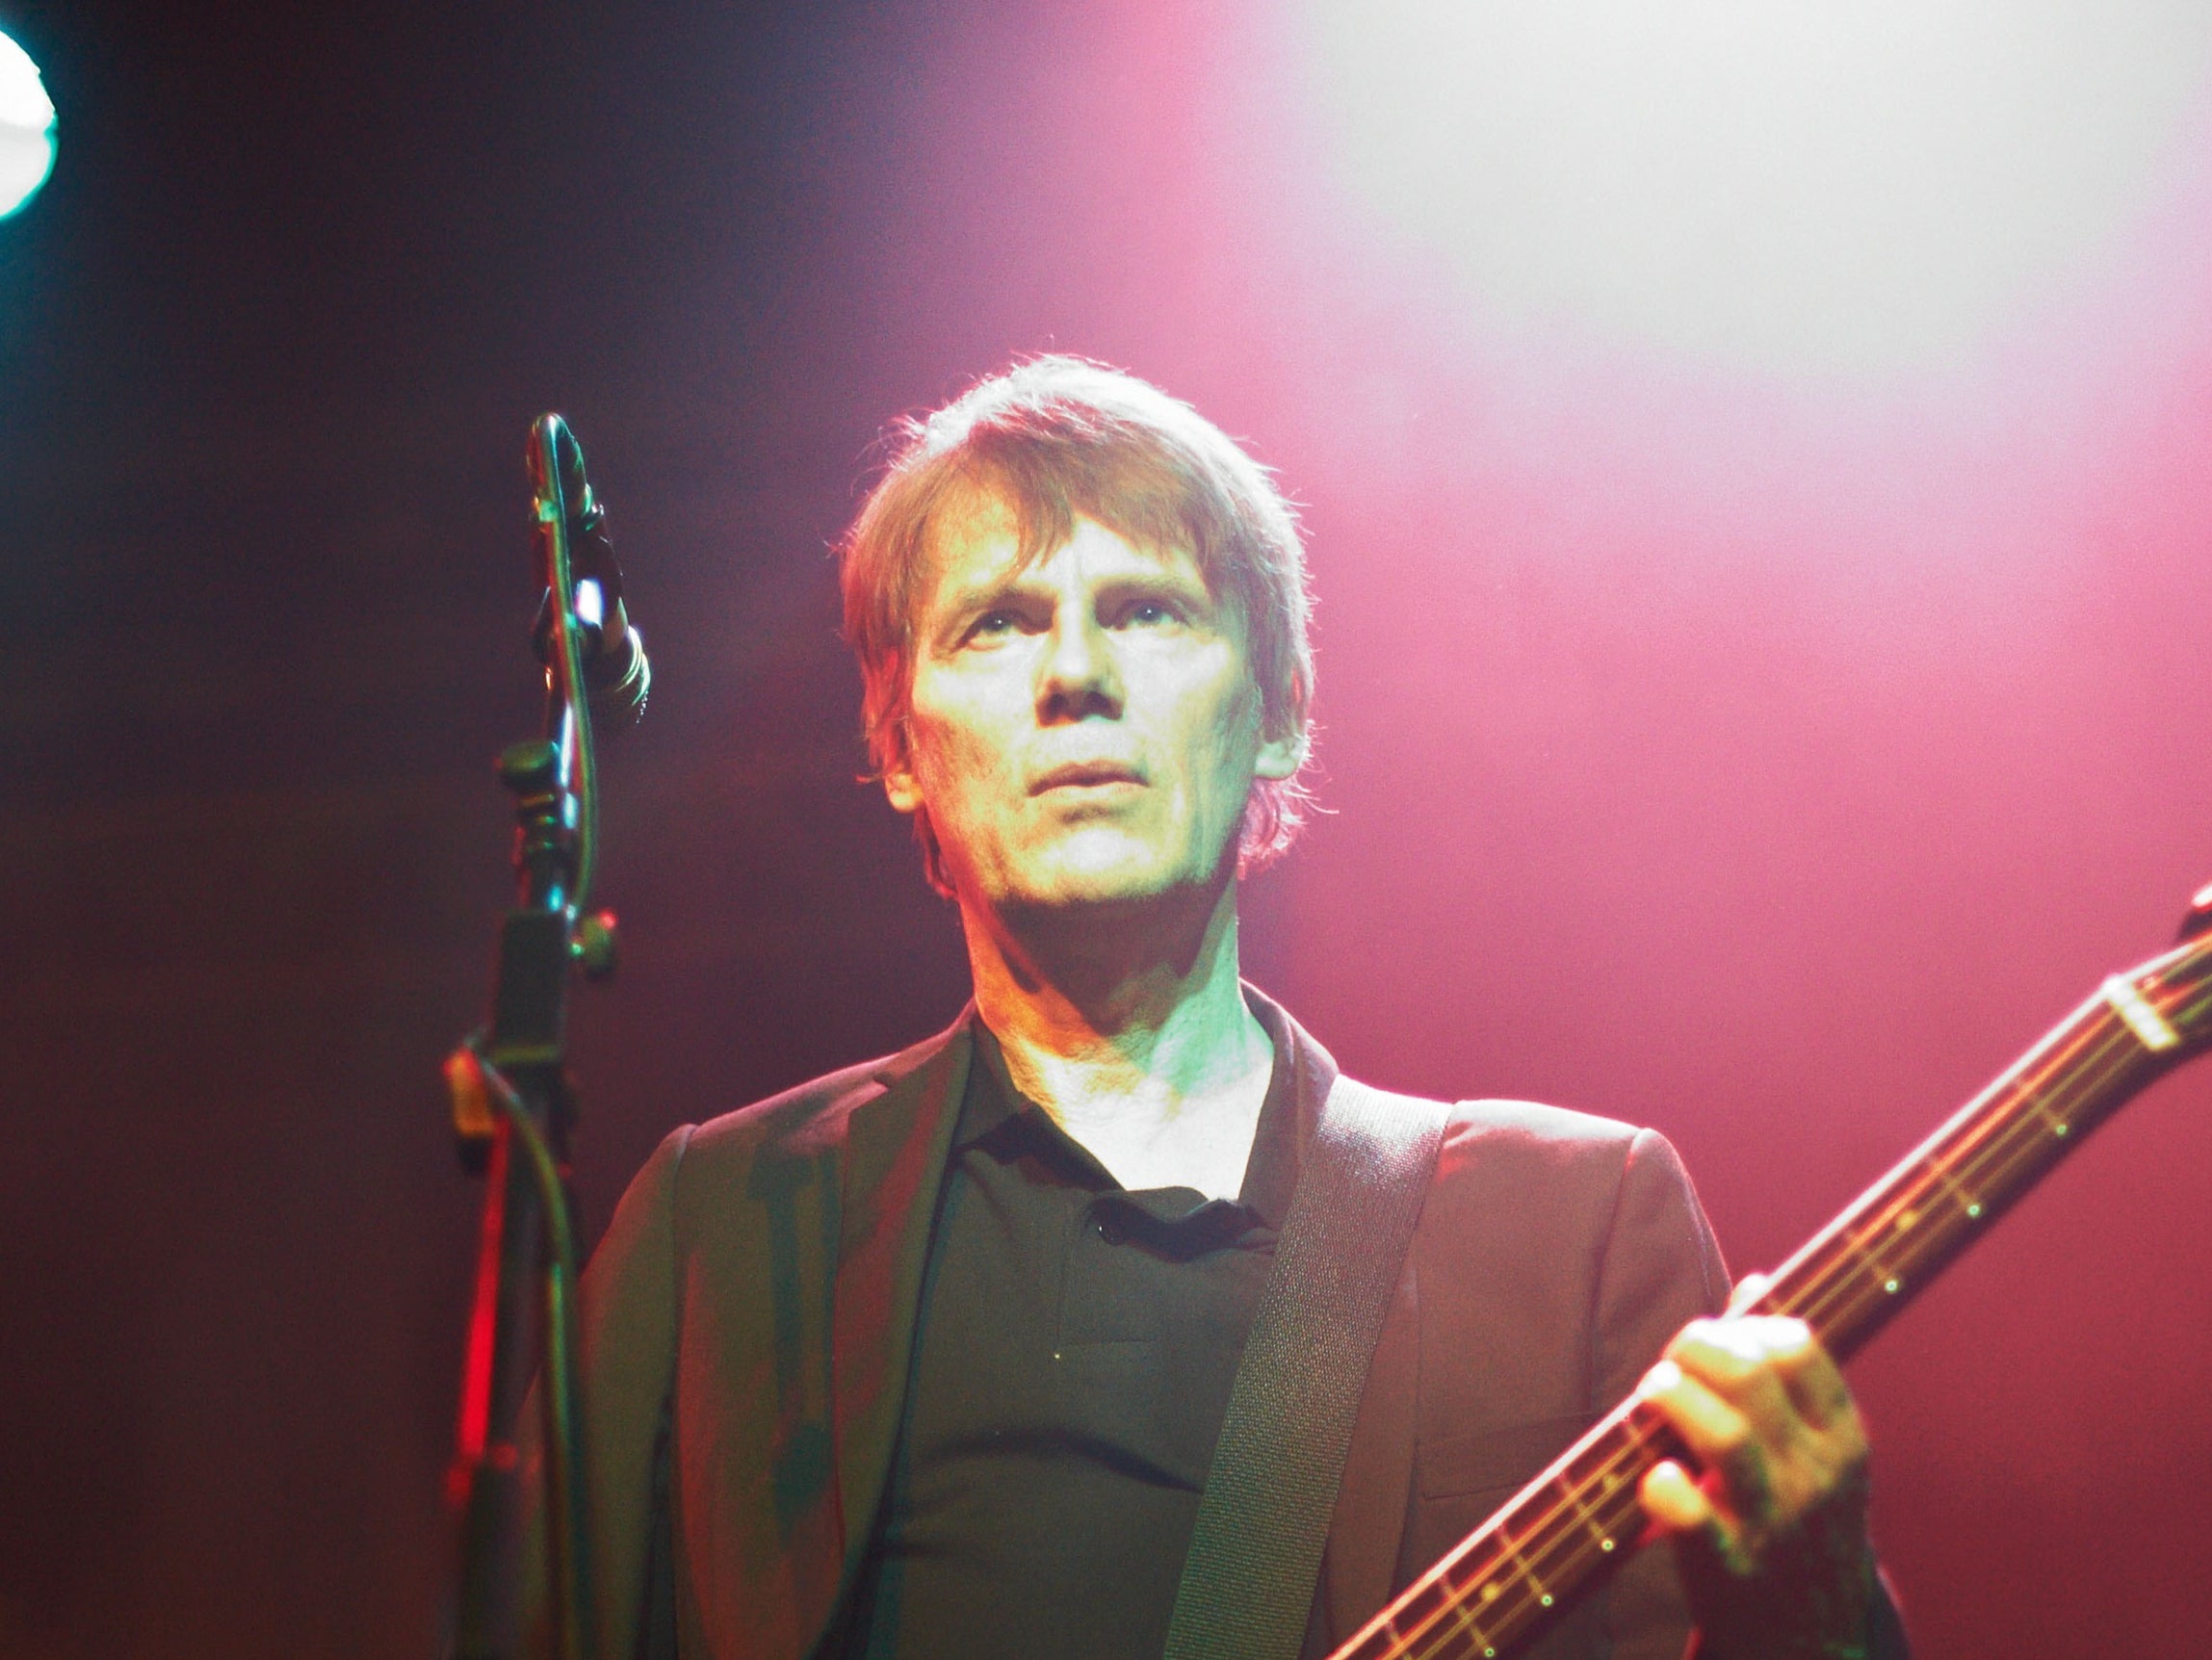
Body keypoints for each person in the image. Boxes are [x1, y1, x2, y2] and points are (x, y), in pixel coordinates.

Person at [527, 356, 1902, 1660]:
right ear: (898, 748)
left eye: (1145, 611)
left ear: (1281, 710)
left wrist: (1818, 1603)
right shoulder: (727, 1227)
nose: (1074, 675)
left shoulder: (1572, 1229)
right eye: (998, 624)